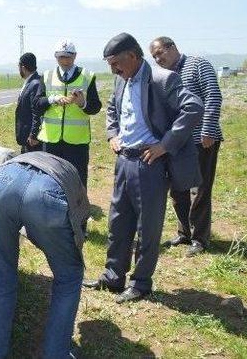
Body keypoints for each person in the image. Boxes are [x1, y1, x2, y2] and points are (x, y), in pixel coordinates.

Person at [83, 33, 203, 303]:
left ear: (134, 57)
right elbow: (113, 109)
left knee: (147, 227)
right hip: (123, 161)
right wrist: (112, 134)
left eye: (116, 63)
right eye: (109, 64)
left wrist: (165, 144)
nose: (113, 69)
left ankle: (141, 283)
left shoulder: (162, 79)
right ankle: (114, 276)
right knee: (117, 221)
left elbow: (194, 107)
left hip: (150, 164)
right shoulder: (119, 80)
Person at [0, 151, 88, 359]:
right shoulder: (71, 173)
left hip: (0, 186)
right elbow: (78, 222)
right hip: (47, 194)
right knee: (70, 276)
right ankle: (56, 354)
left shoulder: (17, 156)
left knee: (3, 272)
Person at [150, 36, 223, 257]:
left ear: (173, 48)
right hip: (175, 141)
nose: (158, 58)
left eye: (160, 53)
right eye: (154, 57)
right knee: (177, 187)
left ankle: (200, 238)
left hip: (201, 138)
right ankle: (184, 232)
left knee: (200, 188)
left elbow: (213, 96)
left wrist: (208, 130)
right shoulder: (164, 76)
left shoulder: (198, 64)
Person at [36, 40, 101, 187]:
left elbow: (96, 107)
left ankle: (78, 209)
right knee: (49, 178)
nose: (65, 60)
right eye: (61, 57)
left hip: (77, 141)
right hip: (51, 139)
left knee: (77, 178)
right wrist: (52, 99)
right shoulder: (46, 76)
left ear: (75, 56)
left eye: (69, 56)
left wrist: (82, 104)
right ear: (55, 56)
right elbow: (37, 104)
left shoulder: (87, 76)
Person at [15, 52, 45, 153]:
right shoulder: (30, 81)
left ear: (22, 67)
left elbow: (37, 111)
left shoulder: (35, 83)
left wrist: (34, 134)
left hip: (31, 140)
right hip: (26, 137)